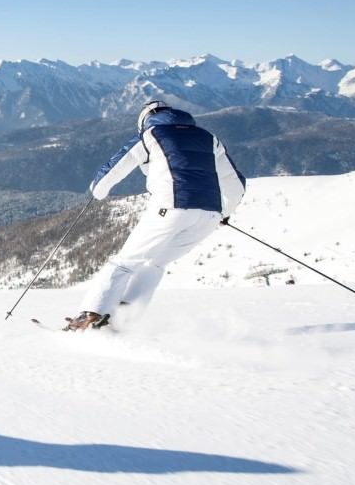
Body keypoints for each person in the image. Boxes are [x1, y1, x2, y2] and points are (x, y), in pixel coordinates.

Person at [64, 100, 245, 332]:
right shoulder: (209, 138)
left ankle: (89, 317)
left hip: (170, 207)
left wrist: (98, 191)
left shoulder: (150, 135)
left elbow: (114, 168)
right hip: (208, 215)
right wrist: (224, 214)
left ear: (144, 121)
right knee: (155, 263)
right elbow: (236, 186)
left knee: (123, 264)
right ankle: (122, 321)